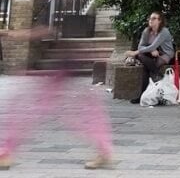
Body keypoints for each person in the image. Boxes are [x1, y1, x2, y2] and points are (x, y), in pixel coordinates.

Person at [0, 27, 113, 170]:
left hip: (63, 68)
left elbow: (46, 31)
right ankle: (105, 151)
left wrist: (12, 34)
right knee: (84, 113)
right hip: (61, 69)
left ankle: (5, 154)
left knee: (23, 111)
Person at [125, 11, 175, 104]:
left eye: (154, 18)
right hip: (151, 54)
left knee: (146, 68)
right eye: (150, 18)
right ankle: (157, 74)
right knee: (141, 56)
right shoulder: (146, 31)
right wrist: (151, 50)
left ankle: (142, 96)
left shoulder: (164, 31)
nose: (151, 20)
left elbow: (148, 47)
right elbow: (141, 46)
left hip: (165, 54)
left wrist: (136, 52)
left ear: (160, 21)